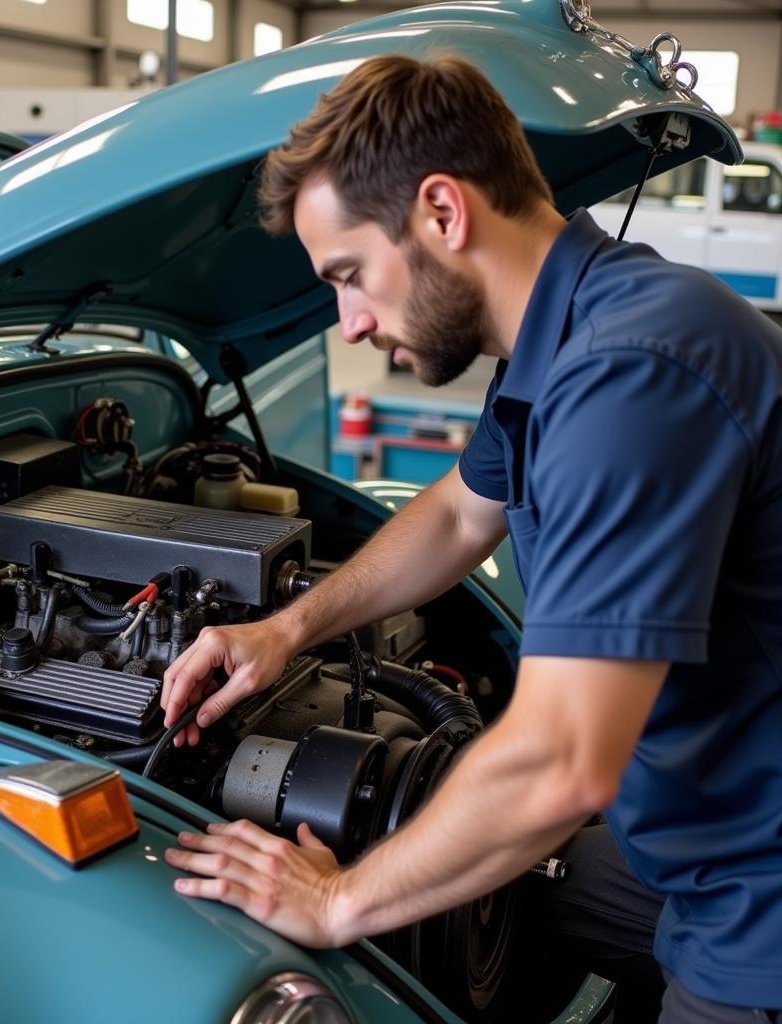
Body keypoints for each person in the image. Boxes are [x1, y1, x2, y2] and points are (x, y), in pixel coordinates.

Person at [160, 54, 782, 1024]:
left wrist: (336, 900)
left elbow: (561, 761)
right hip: (699, 820)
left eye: (351, 275)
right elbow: (457, 512)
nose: (351, 322)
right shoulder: (571, 335)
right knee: (514, 898)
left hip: (760, 899)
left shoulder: (630, 371)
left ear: (443, 212)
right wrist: (284, 632)